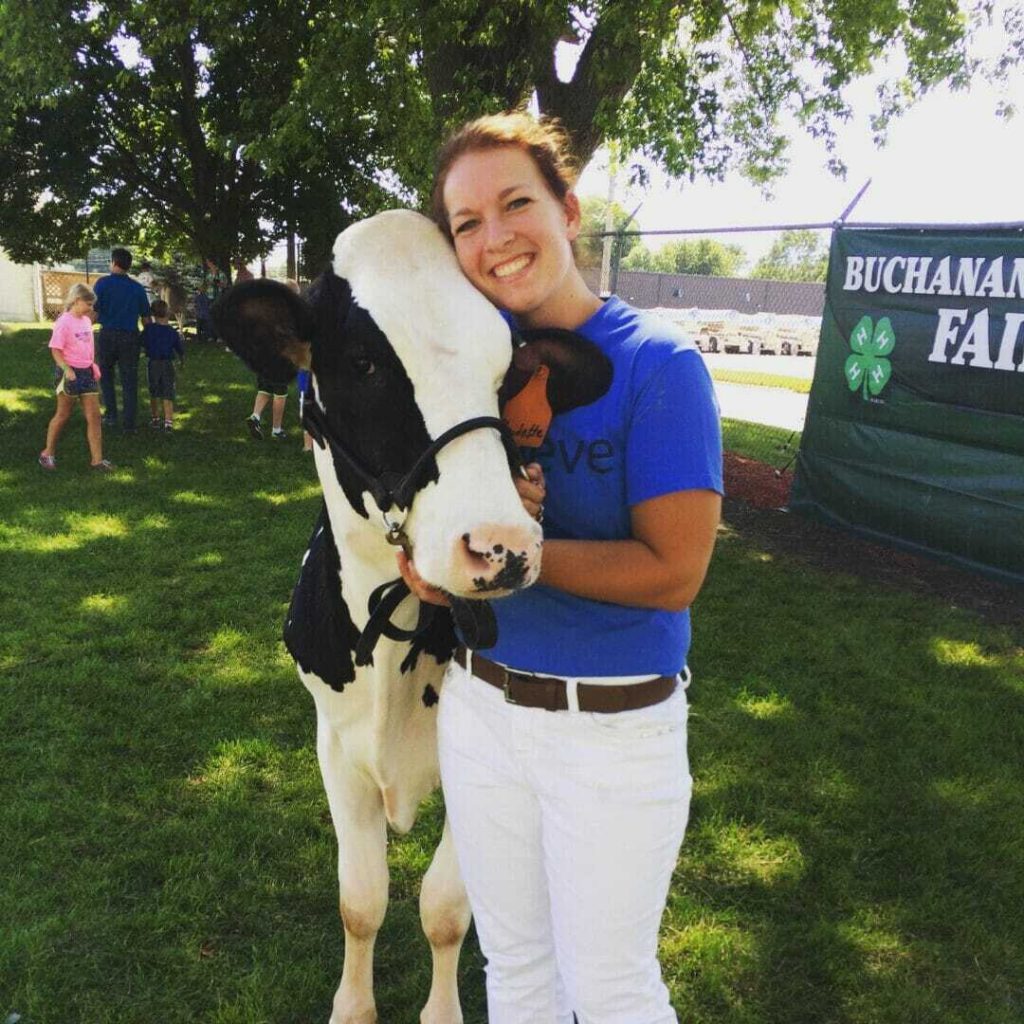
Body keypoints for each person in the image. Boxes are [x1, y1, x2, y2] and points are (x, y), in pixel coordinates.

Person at [399, 112, 723, 1023]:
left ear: (569, 211)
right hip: (481, 708)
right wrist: (437, 562)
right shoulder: (465, 373)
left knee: (612, 991)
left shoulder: (659, 366)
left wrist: (520, 559)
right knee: (515, 972)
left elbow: (675, 572)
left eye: (515, 205)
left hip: (611, 733)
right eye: (466, 223)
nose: (495, 238)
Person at [38, 283, 115, 472]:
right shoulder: (64, 322)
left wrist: (92, 364)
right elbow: (55, 350)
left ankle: (97, 461)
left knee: (94, 416)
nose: (91, 308)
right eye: (88, 304)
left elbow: (87, 347)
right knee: (63, 414)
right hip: (69, 374)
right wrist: (66, 369)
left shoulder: (86, 321)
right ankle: (47, 454)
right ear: (77, 300)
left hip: (86, 372)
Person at [93, 247, 151, 432]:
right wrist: (147, 337)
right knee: (129, 380)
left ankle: (111, 415)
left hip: (107, 335)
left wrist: (82, 331)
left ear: (114, 262)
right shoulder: (137, 288)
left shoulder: (102, 284)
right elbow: (146, 318)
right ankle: (129, 423)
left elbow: (94, 311)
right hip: (130, 337)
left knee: (106, 377)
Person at [142, 298, 185, 431]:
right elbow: (179, 349)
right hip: (167, 364)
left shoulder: (149, 330)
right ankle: (168, 422)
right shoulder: (172, 332)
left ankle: (155, 418)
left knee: (154, 392)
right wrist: (182, 360)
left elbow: (142, 342)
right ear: (167, 313)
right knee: (168, 392)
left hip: (153, 363)